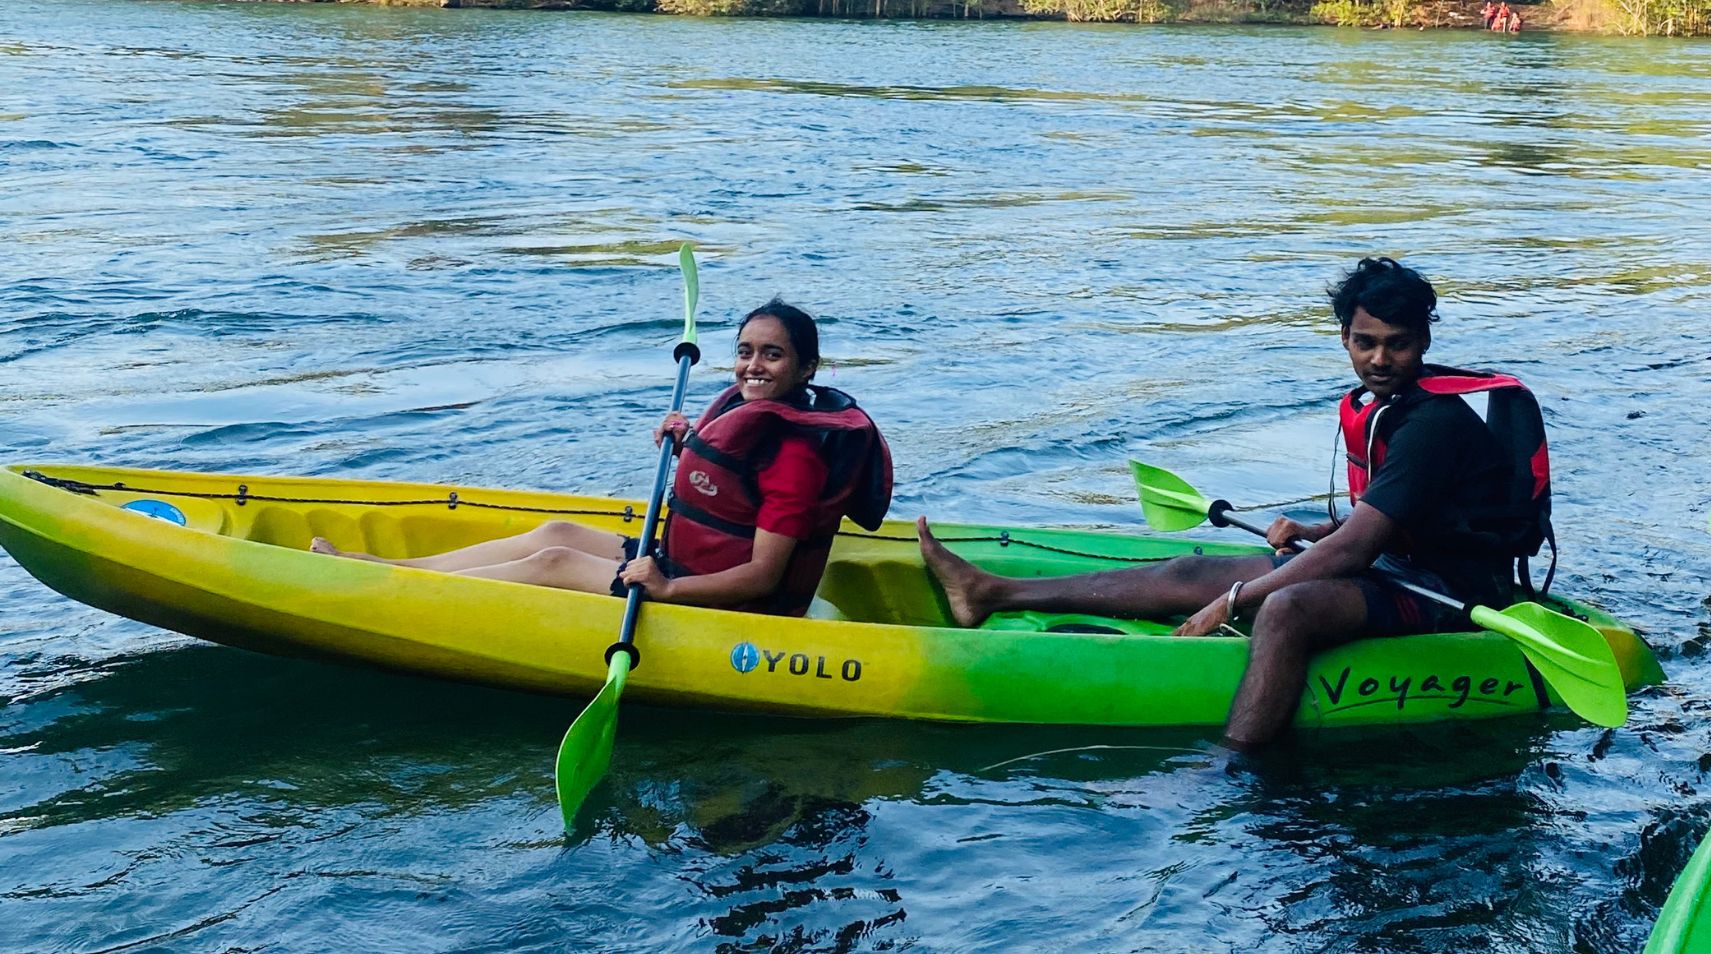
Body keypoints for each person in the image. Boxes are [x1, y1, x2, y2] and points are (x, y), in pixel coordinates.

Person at [917, 257, 1551, 747]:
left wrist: (1234, 601)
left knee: (1286, 608)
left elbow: (1363, 544)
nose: (1380, 359)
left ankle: (1238, 763)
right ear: (1344, 337)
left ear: (1424, 341)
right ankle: (990, 593)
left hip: (1451, 591)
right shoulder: (1385, 406)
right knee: (1190, 571)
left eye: (1398, 343)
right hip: (1395, 563)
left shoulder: (1434, 423)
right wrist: (1315, 527)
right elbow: (1390, 518)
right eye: (1365, 342)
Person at [312, 299, 892, 616]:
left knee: (556, 562)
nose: (752, 367)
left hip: (726, 603)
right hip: (682, 560)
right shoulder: (750, 419)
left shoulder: (799, 459)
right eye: (744, 352)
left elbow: (762, 576)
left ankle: (396, 597)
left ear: (806, 369)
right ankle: (381, 569)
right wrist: (688, 439)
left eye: (773, 355)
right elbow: (728, 484)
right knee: (556, 530)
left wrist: (665, 591)